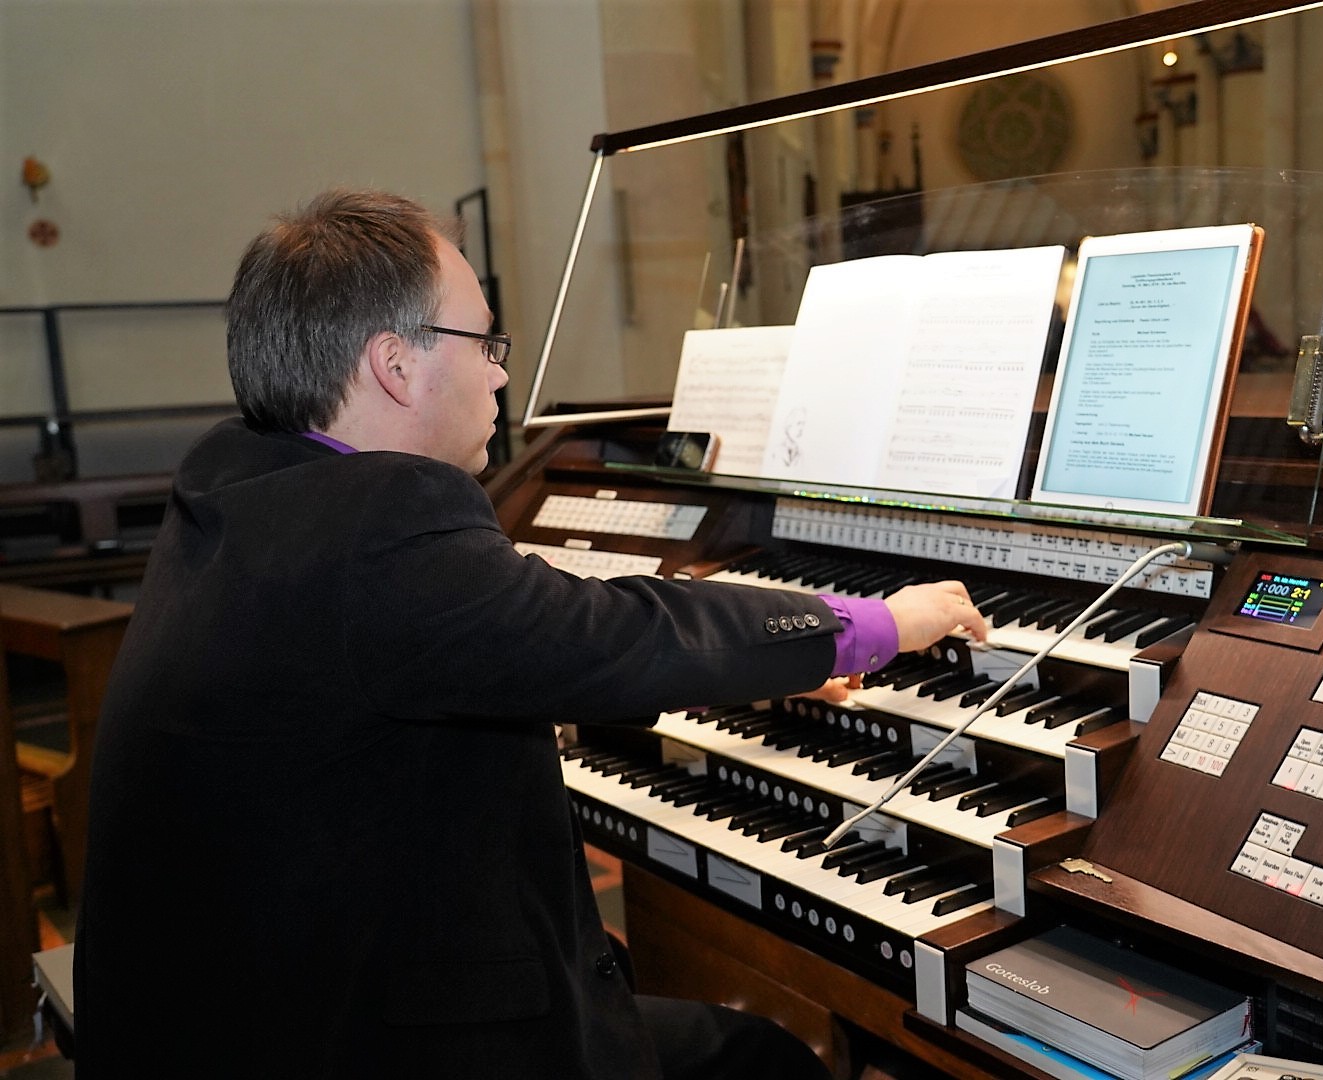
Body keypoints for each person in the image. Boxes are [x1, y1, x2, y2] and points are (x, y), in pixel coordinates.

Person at [72, 189, 987, 1079]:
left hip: (239, 1013)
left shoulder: (240, 485)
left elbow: (413, 680)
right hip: (344, 1037)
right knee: (762, 1059)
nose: (502, 370)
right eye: (484, 340)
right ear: (395, 364)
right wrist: (872, 624)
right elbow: (609, 634)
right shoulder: (378, 515)